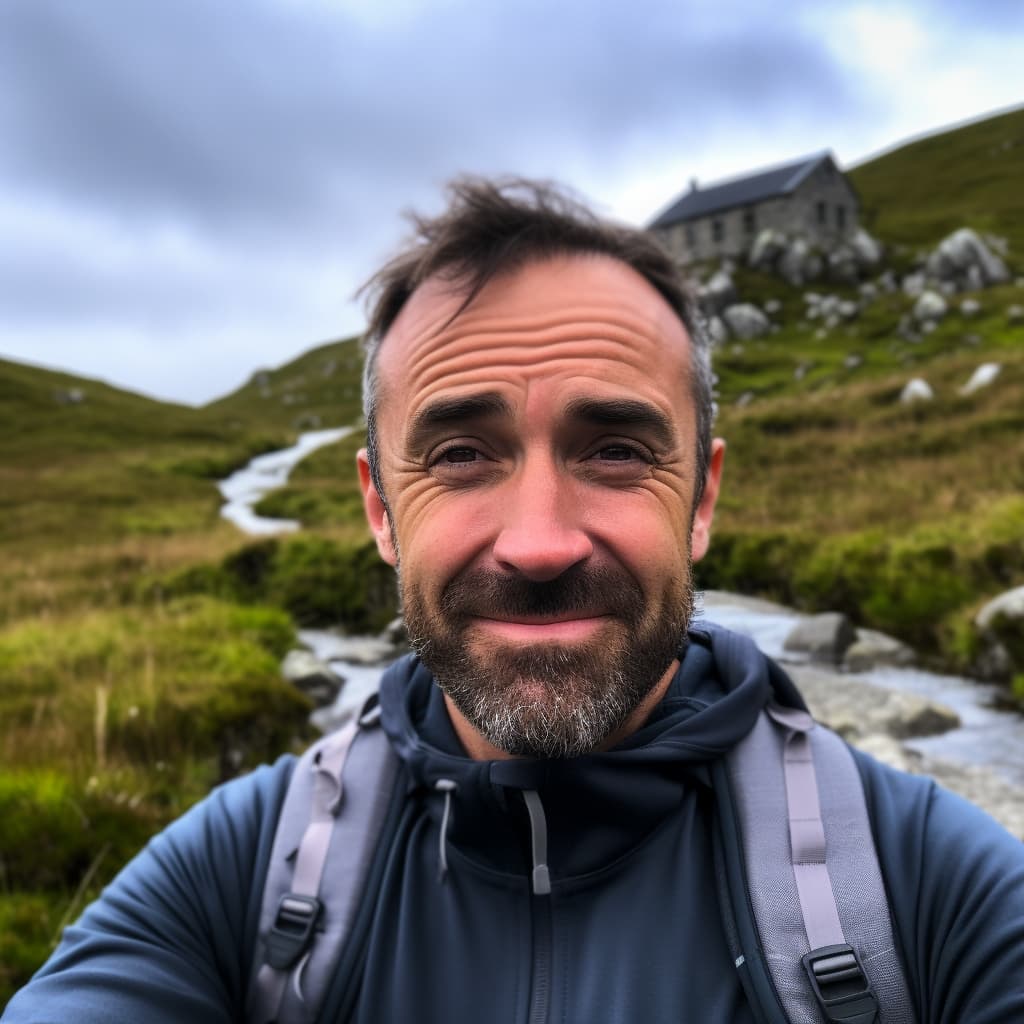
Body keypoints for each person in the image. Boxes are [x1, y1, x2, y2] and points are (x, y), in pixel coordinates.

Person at [4, 178, 1023, 1023]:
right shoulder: (239, 872)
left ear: (702, 496)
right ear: (379, 506)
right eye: (459, 455)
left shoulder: (928, 886)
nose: (538, 542)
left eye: (616, 450)